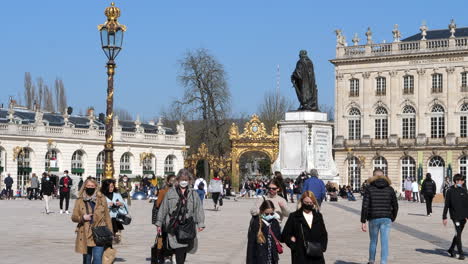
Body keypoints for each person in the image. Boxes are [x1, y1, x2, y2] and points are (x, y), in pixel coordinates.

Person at [155, 169, 205, 264]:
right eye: (182, 179)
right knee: (179, 249)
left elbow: (198, 209)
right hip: (174, 226)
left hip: (188, 226)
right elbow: (163, 208)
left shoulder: (193, 194)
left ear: (189, 181)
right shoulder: (170, 192)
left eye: (186, 180)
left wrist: (200, 223)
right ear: (177, 180)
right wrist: (159, 223)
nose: (184, 182)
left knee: (184, 248)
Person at [71, 177, 113, 264]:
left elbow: (107, 216)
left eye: (92, 186)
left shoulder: (101, 198)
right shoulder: (80, 200)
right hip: (85, 233)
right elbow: (74, 217)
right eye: (88, 185)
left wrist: (110, 232)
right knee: (87, 260)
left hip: (99, 233)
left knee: (98, 259)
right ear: (85, 186)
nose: (90, 187)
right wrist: (83, 217)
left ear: (96, 186)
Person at [361, 169, 398, 264]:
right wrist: (392, 216)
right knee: (384, 242)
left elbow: (365, 205)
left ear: (373, 176)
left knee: (373, 241)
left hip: (373, 218)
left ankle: (371, 261)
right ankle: (383, 262)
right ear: (383, 176)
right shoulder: (390, 189)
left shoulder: (369, 188)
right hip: (386, 218)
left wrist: (363, 221)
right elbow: (395, 205)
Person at [282, 191, 328, 264]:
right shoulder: (294, 216)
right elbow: (285, 234)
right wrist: (294, 246)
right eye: (306, 202)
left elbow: (324, 233)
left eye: (311, 203)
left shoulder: (318, 216)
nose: (308, 204)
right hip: (300, 255)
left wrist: (322, 248)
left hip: (316, 254)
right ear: (302, 201)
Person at [246, 200, 282, 264]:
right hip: (259, 257)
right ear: (262, 211)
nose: (269, 215)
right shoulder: (256, 222)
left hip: (272, 257)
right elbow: (251, 245)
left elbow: (279, 237)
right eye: (267, 214)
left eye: (271, 213)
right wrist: (249, 261)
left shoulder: (275, 222)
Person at [152, 174, 176, 264]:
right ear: (168, 181)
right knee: (165, 237)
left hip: (175, 219)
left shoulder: (179, 191)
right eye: (171, 180)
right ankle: (166, 255)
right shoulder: (163, 191)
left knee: (175, 237)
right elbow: (158, 204)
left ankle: (174, 254)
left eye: (175, 180)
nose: (173, 182)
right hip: (165, 219)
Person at [443, 173, 468, 260]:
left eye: (463, 181)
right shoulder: (449, 191)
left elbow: (467, 204)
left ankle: (451, 249)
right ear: (456, 181)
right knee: (458, 234)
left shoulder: (464, 190)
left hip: (463, 217)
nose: (463, 182)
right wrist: (444, 217)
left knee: (458, 234)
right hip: (455, 216)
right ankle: (461, 253)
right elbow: (446, 205)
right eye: (461, 180)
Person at [101, 179, 128, 244]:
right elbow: (98, 208)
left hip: (116, 219)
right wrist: (107, 205)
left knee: (116, 241)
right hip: (105, 220)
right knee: (107, 241)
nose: (111, 188)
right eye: (109, 186)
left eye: (112, 186)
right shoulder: (101, 196)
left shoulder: (117, 195)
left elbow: (125, 207)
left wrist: (121, 204)